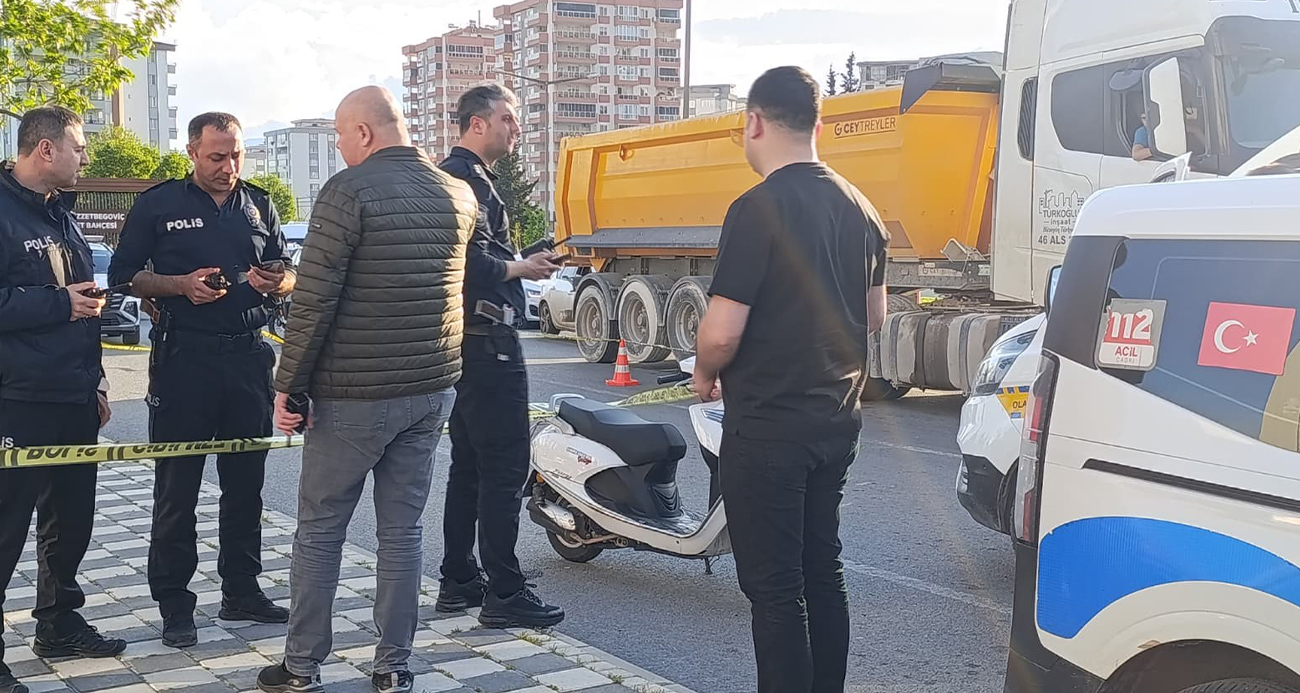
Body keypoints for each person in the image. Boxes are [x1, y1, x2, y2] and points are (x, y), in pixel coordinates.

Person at [254, 85, 474, 693]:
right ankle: (392, 668)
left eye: (340, 136)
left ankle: (301, 667)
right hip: (431, 388)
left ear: (365, 133)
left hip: (353, 395)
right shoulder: (458, 193)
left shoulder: (348, 191)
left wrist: (287, 385)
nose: (339, 147)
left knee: (321, 529)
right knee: (402, 532)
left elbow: (314, 299)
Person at [693, 66, 890, 693]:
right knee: (821, 572)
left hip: (769, 429)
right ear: (818, 124)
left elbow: (722, 332)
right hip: (836, 422)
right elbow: (875, 315)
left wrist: (703, 374)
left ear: (753, 122)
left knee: (775, 592)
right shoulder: (863, 207)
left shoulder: (756, 209)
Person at [108, 112, 296, 648]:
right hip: (183, 359)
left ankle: (242, 590)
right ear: (192, 152)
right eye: (216, 156)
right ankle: (174, 603)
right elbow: (124, 275)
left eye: (236, 155)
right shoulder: (159, 203)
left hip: (248, 360)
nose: (228, 166)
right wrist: (178, 285)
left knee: (246, 487)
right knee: (177, 489)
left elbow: (286, 273)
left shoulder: (259, 203)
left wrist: (277, 282)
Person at [0, 106, 126, 693]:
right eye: (78, 147)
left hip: (73, 396)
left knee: (70, 519)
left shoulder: (63, 217)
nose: (85, 158)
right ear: (44, 150)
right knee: (5, 527)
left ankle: (59, 622)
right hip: (16, 400)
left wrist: (97, 381)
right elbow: (58, 301)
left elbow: (86, 306)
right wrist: (57, 305)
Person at [435, 84, 565, 629]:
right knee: (505, 466)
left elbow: (481, 253)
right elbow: (461, 261)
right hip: (487, 341)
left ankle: (460, 580)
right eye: (508, 119)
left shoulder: (468, 178)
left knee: (469, 464)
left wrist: (520, 257)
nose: (517, 129)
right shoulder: (464, 181)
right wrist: (519, 269)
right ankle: (504, 591)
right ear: (477, 124)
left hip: (471, 340)